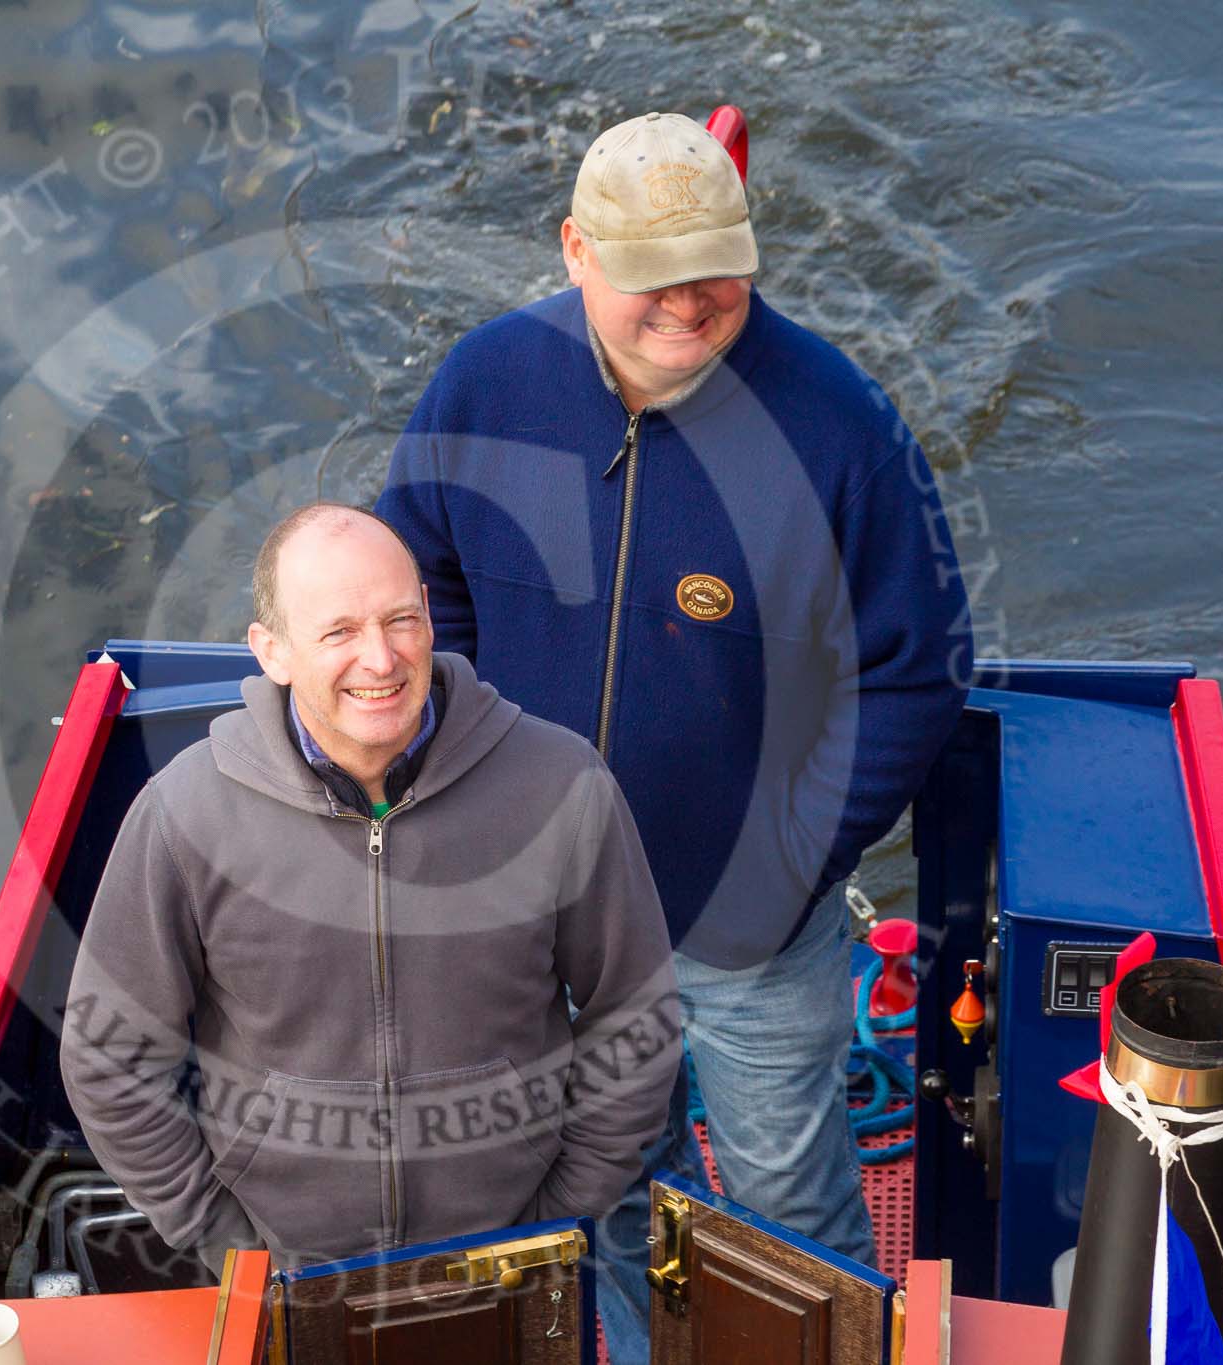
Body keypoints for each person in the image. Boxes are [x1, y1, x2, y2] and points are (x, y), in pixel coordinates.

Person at [375, 111, 972, 1356]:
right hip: (547, 918)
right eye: (648, 274)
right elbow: (419, 591)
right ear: (574, 251)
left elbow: (913, 672)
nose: (687, 305)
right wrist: (466, 783)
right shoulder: (484, 384)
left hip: (750, 938)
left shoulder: (841, 429)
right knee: (594, 1195)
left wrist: (787, 863)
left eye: (716, 268)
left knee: (787, 1214)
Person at [60, 503, 680, 1270]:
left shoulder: (563, 787)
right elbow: (108, 1056)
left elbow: (637, 1015)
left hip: (510, 1257)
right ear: (272, 651)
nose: (381, 660)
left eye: (400, 619)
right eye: (339, 632)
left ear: (429, 616)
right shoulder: (185, 814)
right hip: (290, 1267)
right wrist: (228, 1241)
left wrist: (557, 1215)